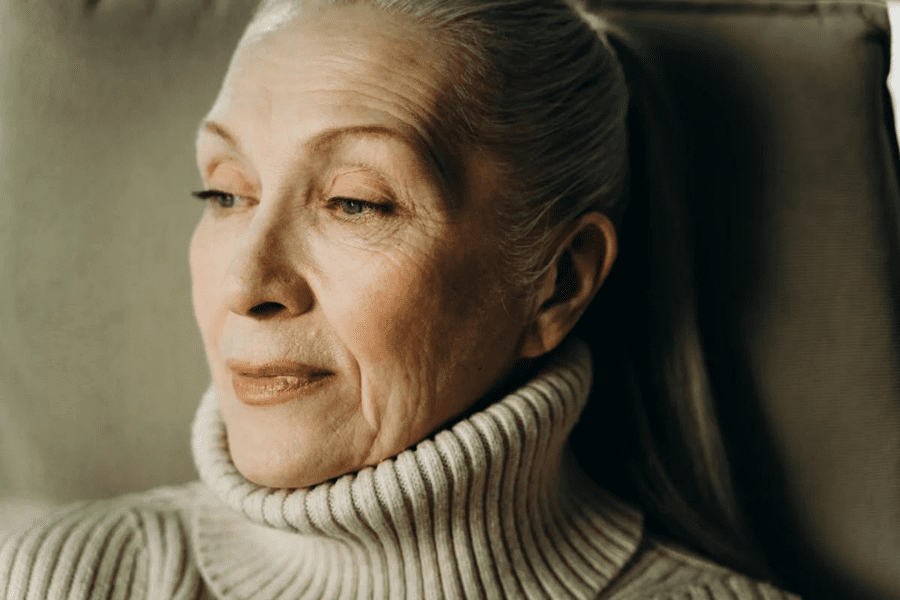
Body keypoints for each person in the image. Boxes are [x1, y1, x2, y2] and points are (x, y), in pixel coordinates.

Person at [0, 0, 800, 598]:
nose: (246, 288)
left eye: (355, 202)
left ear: (559, 281)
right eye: (223, 192)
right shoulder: (63, 576)